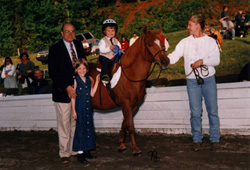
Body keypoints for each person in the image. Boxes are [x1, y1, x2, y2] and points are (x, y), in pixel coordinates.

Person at [167, 14, 220, 152]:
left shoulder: (210, 41)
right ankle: (197, 139)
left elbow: (216, 60)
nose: (188, 27)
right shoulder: (185, 42)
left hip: (209, 80)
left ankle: (215, 138)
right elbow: (174, 55)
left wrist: (202, 61)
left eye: (190, 25)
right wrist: (164, 60)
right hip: (192, 81)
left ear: (198, 26)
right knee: (195, 112)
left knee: (212, 110)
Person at [48, 22, 86, 164]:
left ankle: (73, 149)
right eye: (67, 31)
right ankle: (64, 152)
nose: (70, 34)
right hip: (62, 92)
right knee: (64, 123)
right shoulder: (55, 49)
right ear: (62, 33)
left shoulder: (79, 45)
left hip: (78, 92)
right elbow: (53, 72)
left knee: (74, 122)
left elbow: (84, 66)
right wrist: (67, 87)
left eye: (72, 31)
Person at [71, 58, 100, 164]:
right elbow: (73, 97)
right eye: (79, 69)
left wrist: (96, 81)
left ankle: (87, 151)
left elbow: (92, 93)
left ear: (87, 69)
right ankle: (80, 154)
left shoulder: (88, 79)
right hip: (79, 108)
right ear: (76, 70)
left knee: (88, 129)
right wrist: (74, 111)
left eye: (84, 68)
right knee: (80, 131)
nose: (82, 71)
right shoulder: (75, 80)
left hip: (88, 108)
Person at [98, 19, 121, 84]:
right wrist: (109, 48)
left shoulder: (116, 41)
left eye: (113, 30)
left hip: (114, 58)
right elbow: (102, 49)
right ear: (104, 31)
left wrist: (121, 50)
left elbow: (119, 47)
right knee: (106, 62)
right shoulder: (103, 40)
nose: (111, 32)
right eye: (108, 31)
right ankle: (103, 76)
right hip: (104, 57)